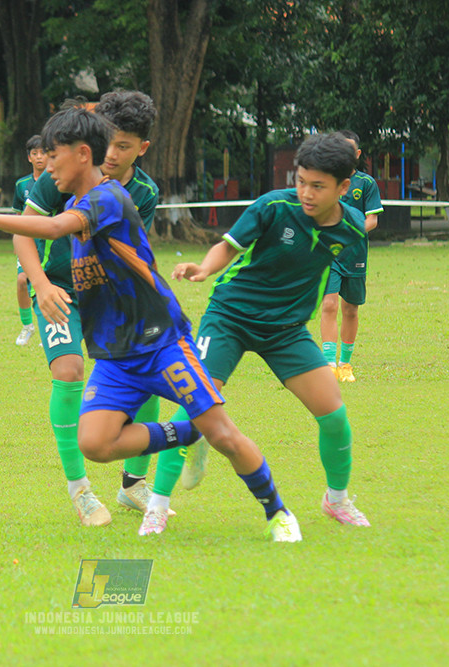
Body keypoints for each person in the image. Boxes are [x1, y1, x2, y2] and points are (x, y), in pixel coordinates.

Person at [0, 106, 302, 542]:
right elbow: (47, 225)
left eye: (53, 156)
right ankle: (188, 431)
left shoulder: (107, 199)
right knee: (95, 443)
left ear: (81, 154)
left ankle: (277, 512)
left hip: (161, 342)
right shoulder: (77, 199)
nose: (47, 165)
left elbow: (53, 227)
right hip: (116, 355)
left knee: (224, 434)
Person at [148, 132, 372, 536]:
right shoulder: (273, 206)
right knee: (191, 406)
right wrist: (203, 268)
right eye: (300, 181)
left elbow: (334, 276)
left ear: (344, 186)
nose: (305, 192)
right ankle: (157, 507)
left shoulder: (353, 230)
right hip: (230, 317)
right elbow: (229, 246)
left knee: (334, 413)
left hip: (285, 331)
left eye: (318, 186)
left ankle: (336, 501)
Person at [12, 92, 163, 527]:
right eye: (107, 143)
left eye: (124, 146)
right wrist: (39, 284)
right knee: (68, 371)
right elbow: (24, 232)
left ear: (142, 148)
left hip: (110, 297)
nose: (111, 155)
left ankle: (133, 485)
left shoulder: (144, 192)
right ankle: (80, 492)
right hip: (59, 289)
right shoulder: (60, 174)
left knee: (147, 377)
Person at [320, 129, 383, 381]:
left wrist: (351, 232)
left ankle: (345, 365)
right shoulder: (326, 181)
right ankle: (328, 366)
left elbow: (373, 220)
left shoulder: (366, 184)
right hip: (329, 253)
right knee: (328, 304)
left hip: (355, 253)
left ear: (356, 154)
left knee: (351, 310)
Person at [12, 135, 48, 346]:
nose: (39, 157)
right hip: (29, 242)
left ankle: (49, 328)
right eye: (35, 153)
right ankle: (27, 327)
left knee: (48, 283)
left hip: (50, 243)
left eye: (43, 152)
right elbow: (18, 217)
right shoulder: (22, 185)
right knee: (22, 281)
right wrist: (18, 242)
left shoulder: (57, 180)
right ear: (29, 158)